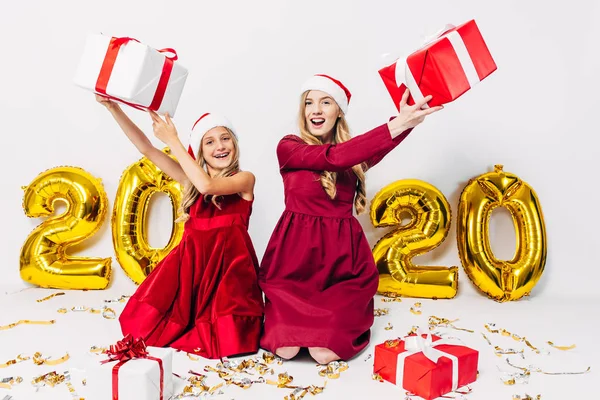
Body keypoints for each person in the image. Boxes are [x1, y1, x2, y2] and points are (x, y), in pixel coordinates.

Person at [258, 74, 443, 364]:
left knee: (324, 353)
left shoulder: (353, 155)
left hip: (340, 268)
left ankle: (331, 320)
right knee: (286, 349)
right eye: (309, 103)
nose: (315, 110)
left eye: (325, 102)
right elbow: (333, 157)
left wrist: (408, 121)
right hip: (293, 268)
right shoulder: (289, 147)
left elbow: (372, 147)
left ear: (339, 111)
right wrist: (398, 124)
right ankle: (298, 320)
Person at [96, 96, 263, 359]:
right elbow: (147, 149)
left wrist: (172, 140)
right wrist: (113, 108)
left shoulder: (244, 179)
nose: (219, 146)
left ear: (235, 143)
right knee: (146, 325)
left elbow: (209, 186)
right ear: (200, 151)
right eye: (209, 142)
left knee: (230, 339)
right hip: (192, 268)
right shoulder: (190, 180)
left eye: (225, 138)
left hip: (227, 272)